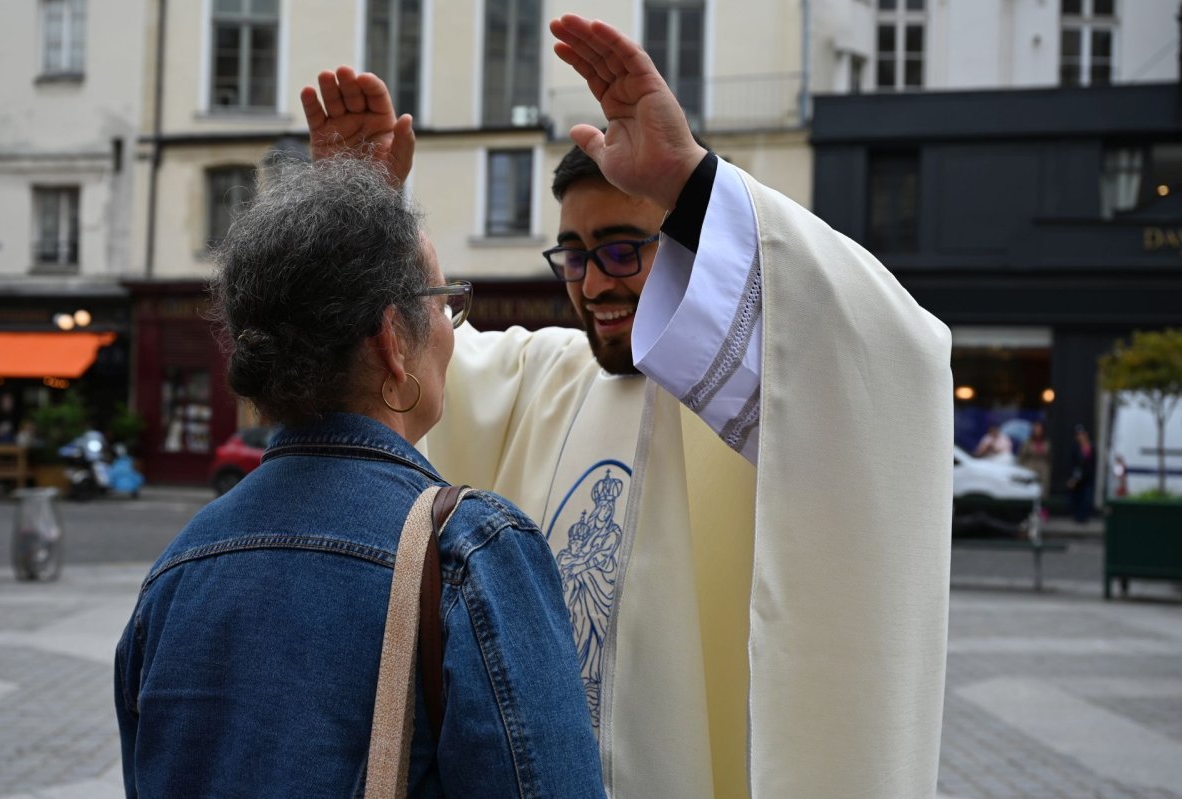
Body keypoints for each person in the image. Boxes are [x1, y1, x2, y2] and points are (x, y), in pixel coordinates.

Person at [303, 14, 952, 798]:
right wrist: (357, 215)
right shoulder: (541, 379)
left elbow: (894, 357)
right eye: (574, 254)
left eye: (623, 247)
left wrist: (693, 180)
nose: (594, 281)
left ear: (694, 244)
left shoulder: (760, 386)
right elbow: (397, 361)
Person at [112, 155, 604, 798]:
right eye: (442, 304)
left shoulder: (177, 571)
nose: (454, 335)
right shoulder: (471, 552)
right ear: (392, 341)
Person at [1018, 420, 1052, 515]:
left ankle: (1043, 512)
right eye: (1035, 429)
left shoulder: (1046, 442)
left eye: (1039, 429)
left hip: (1043, 469)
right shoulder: (1028, 442)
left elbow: (1049, 456)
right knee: (1029, 490)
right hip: (1030, 467)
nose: (1037, 431)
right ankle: (1027, 512)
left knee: (1044, 491)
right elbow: (1021, 457)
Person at [1068, 424, 1097, 523]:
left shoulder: (1092, 447)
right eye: (1078, 435)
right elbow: (1072, 464)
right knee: (1078, 497)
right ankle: (1078, 517)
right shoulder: (1075, 448)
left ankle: (1085, 517)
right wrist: (1072, 478)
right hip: (1078, 478)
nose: (1080, 437)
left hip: (1088, 477)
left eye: (1082, 434)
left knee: (1087, 497)